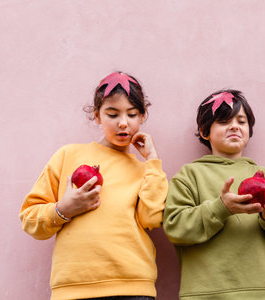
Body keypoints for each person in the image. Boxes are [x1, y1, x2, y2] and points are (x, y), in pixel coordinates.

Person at [20, 71, 168, 300]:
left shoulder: (145, 170)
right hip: (72, 289)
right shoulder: (67, 155)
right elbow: (30, 219)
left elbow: (152, 218)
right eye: (112, 114)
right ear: (97, 116)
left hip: (132, 287)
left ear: (142, 116)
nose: (123, 123)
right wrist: (63, 210)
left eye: (132, 114)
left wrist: (153, 161)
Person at [163, 89, 265, 300]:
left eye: (241, 121)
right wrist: (221, 208)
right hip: (208, 294)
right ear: (205, 131)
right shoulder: (189, 175)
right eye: (224, 121)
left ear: (249, 130)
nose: (234, 126)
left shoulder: (262, 176)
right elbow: (175, 228)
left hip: (264, 293)